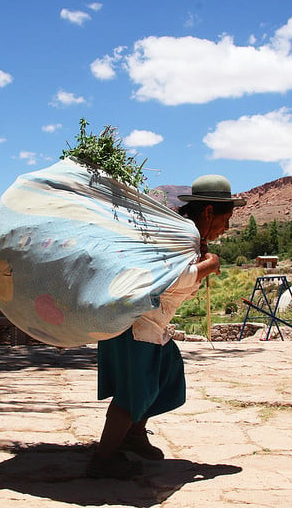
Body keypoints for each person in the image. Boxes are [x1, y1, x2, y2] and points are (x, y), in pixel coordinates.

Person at [87, 174, 246, 479]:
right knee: (134, 390)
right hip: (137, 323)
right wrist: (207, 266)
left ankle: (134, 434)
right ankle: (103, 459)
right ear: (209, 212)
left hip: (147, 323)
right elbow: (169, 279)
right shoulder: (181, 236)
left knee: (167, 369)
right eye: (225, 218)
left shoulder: (183, 234)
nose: (226, 228)